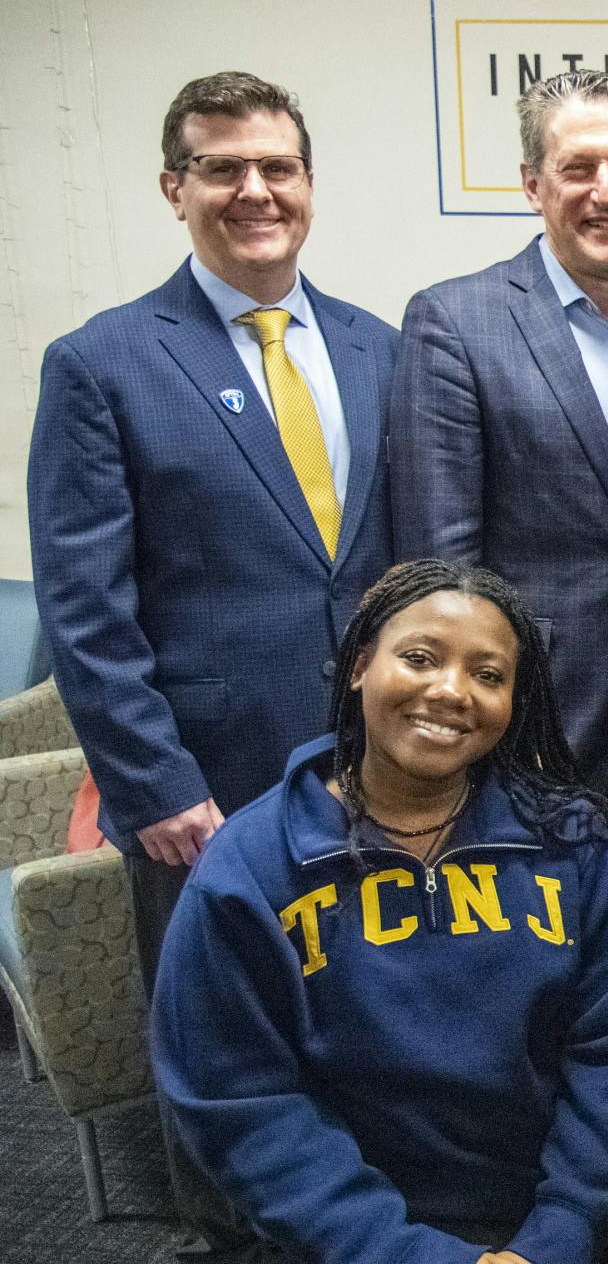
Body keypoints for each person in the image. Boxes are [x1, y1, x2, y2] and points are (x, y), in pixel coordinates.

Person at [26, 70, 396, 1248]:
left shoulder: (380, 348)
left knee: (372, 1031)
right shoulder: (104, 363)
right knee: (224, 1053)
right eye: (222, 169)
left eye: (276, 168)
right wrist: (155, 788)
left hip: (378, 776)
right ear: (173, 188)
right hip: (207, 788)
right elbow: (86, 611)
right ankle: (225, 1241)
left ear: (308, 185)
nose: (254, 191)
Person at [150, 560, 608, 1263]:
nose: (451, 690)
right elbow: (242, 1102)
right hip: (342, 1237)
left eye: (488, 674)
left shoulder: (581, 849)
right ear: (359, 666)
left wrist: (560, 1234)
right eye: (419, 657)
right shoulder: (249, 870)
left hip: (549, 1226)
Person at [390, 69, 608, 907]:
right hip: (541, 723)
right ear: (534, 186)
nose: (605, 192)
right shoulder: (457, 323)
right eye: (578, 170)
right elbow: (442, 568)